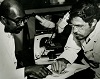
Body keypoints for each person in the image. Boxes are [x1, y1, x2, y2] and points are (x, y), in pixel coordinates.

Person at [0, 0, 52, 79]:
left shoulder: (9, 32)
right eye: (18, 21)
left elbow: (10, 69)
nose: (22, 24)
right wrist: (27, 70)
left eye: (23, 19)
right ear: (4, 20)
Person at [50, 1, 100, 79]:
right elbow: (72, 48)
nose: (75, 30)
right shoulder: (78, 29)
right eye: (72, 25)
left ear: (93, 22)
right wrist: (63, 59)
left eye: (79, 26)